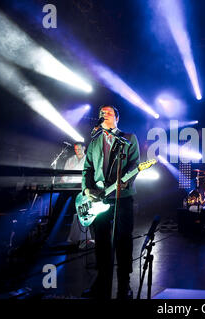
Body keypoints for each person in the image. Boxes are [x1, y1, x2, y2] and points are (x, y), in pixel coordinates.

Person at [81, 105, 140, 299]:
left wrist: (126, 182)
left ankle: (124, 283)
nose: (104, 115)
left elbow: (134, 165)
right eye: (101, 113)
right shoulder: (95, 140)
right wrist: (87, 189)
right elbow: (87, 168)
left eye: (108, 112)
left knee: (123, 240)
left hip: (122, 197)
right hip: (99, 197)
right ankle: (101, 280)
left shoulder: (129, 138)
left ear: (117, 117)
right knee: (102, 241)